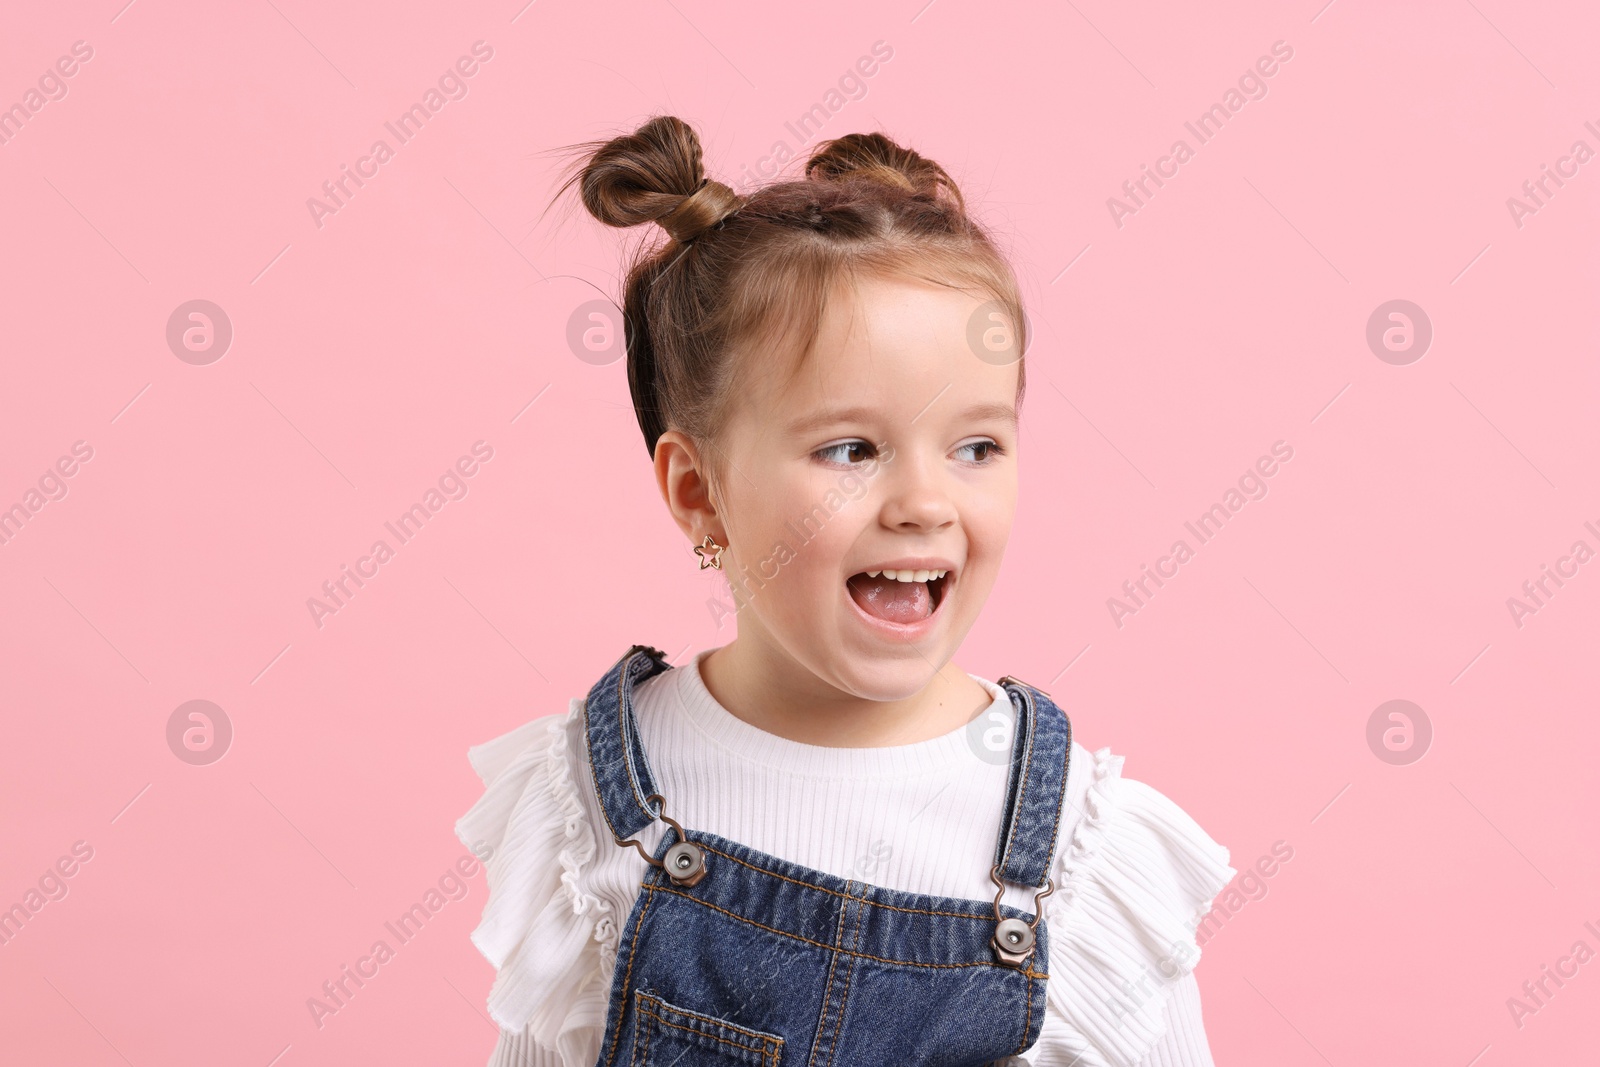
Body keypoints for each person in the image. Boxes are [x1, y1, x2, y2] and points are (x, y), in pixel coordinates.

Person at [456, 114, 1235, 1066]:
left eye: (975, 446)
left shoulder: (1080, 848)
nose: (924, 501)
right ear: (701, 493)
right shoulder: (594, 804)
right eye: (851, 450)